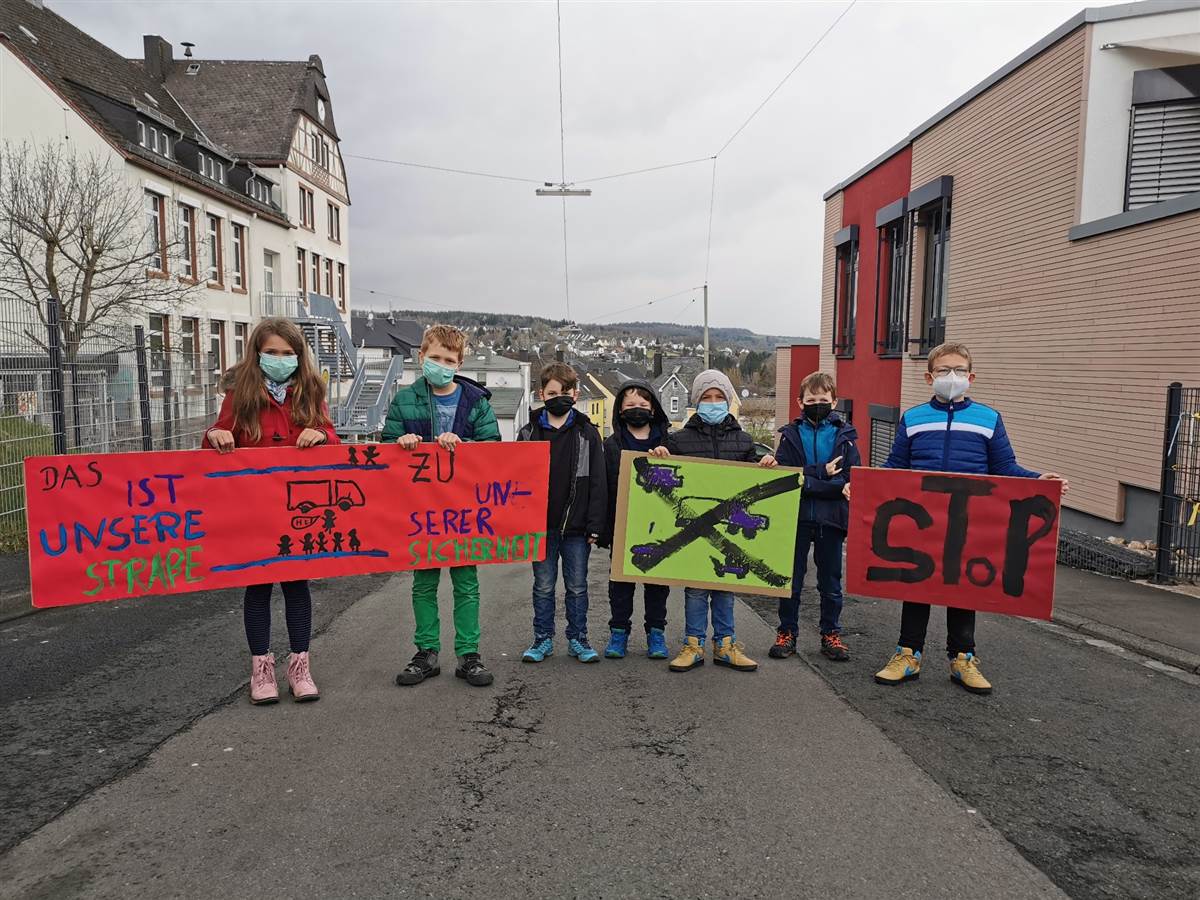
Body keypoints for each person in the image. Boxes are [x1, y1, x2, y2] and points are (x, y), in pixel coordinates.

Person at [872, 342, 1068, 694]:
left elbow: (1005, 468)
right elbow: (894, 469)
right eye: (945, 370)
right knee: (915, 586)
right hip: (923, 523)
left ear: (971, 377)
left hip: (969, 522)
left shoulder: (989, 419)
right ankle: (907, 653)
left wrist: (1039, 481)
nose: (952, 377)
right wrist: (862, 485)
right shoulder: (913, 418)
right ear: (929, 376)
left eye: (959, 371)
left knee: (963, 588)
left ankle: (963, 658)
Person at [204, 318, 338, 705]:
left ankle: (300, 667)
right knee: (258, 586)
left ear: (299, 356)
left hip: (298, 507)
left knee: (297, 585)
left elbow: (331, 435)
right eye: (272, 353)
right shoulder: (239, 393)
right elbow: (218, 432)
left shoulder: (311, 390)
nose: (280, 360)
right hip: (253, 507)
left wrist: (322, 435)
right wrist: (215, 435)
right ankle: (261, 669)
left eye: (288, 354)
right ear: (258, 354)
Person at [382, 324, 500, 689]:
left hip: (464, 510)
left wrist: (463, 444)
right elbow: (385, 448)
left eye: (448, 360)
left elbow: (492, 448)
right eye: (434, 358)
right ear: (421, 357)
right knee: (424, 583)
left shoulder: (477, 402)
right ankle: (427, 653)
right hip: (422, 511)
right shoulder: (404, 400)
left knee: (466, 583)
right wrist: (399, 442)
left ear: (459, 362)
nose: (440, 364)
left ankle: (469, 655)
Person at [650, 369, 777, 673]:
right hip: (695, 528)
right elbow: (668, 475)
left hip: (728, 530)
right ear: (697, 401)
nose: (713, 402)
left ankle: (725, 644)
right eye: (706, 397)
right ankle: (693, 645)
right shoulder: (679, 440)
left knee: (725, 587)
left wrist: (765, 464)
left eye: (719, 397)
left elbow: (751, 479)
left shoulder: (744, 440)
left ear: (728, 399)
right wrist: (661, 454)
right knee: (695, 589)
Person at [518, 362, 607, 664]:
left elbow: (598, 482)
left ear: (576, 393)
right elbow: (515, 483)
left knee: (577, 586)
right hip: (540, 527)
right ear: (541, 394)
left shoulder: (587, 434)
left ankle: (578, 639)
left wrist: (596, 525)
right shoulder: (528, 432)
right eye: (553, 392)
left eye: (565, 392)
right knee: (543, 587)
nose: (560, 396)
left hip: (577, 528)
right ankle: (542, 639)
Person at [771, 371, 860, 662]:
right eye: (811, 399)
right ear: (800, 402)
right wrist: (822, 479)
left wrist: (808, 484)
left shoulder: (846, 437)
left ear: (834, 401)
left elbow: (851, 479)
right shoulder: (790, 436)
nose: (817, 403)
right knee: (790, 581)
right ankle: (787, 633)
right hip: (794, 518)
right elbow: (785, 478)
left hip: (831, 519)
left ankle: (831, 634)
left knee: (831, 582)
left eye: (823, 399)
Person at [597, 380, 671, 660]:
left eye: (643, 405)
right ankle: (619, 633)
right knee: (620, 584)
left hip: (660, 525)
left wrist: (668, 458)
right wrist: (602, 529)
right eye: (630, 405)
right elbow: (603, 487)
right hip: (623, 524)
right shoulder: (611, 445)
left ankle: (656, 632)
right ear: (619, 410)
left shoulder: (668, 443)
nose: (636, 409)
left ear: (653, 409)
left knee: (657, 585)